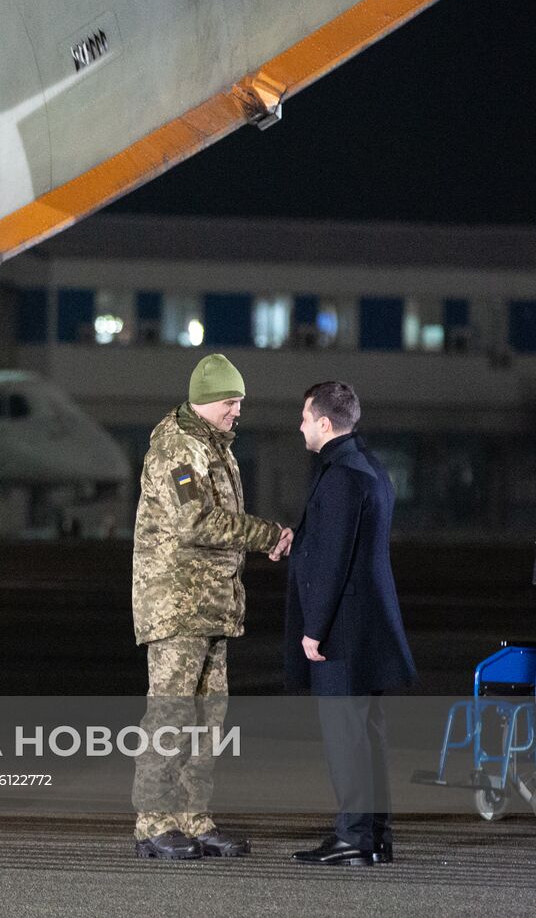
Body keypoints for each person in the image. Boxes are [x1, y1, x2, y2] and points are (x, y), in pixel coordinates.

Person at [131, 354, 289, 860]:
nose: (237, 410)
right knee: (172, 715)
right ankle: (154, 823)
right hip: (178, 608)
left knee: (207, 718)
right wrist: (266, 535)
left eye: (239, 400)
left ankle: (193, 819)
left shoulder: (211, 446)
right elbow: (196, 520)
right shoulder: (179, 448)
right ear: (205, 400)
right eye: (230, 401)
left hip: (211, 604)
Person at [286, 382, 417, 866]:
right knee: (367, 734)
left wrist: (314, 628)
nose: (300, 425)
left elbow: (335, 558)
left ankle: (354, 838)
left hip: (343, 629)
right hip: (369, 626)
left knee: (346, 735)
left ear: (324, 423)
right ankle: (372, 834)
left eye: (304, 417)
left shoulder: (340, 475)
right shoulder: (369, 466)